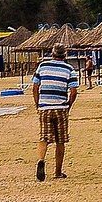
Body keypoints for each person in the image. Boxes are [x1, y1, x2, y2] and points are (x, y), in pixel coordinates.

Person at [32, 44, 79, 182]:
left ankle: (41, 159)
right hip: (61, 108)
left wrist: (38, 104)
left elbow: (35, 87)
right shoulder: (69, 69)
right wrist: (68, 105)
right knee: (60, 141)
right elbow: (74, 91)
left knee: (44, 138)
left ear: (52, 54)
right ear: (65, 55)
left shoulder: (42, 66)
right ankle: (58, 172)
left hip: (44, 108)